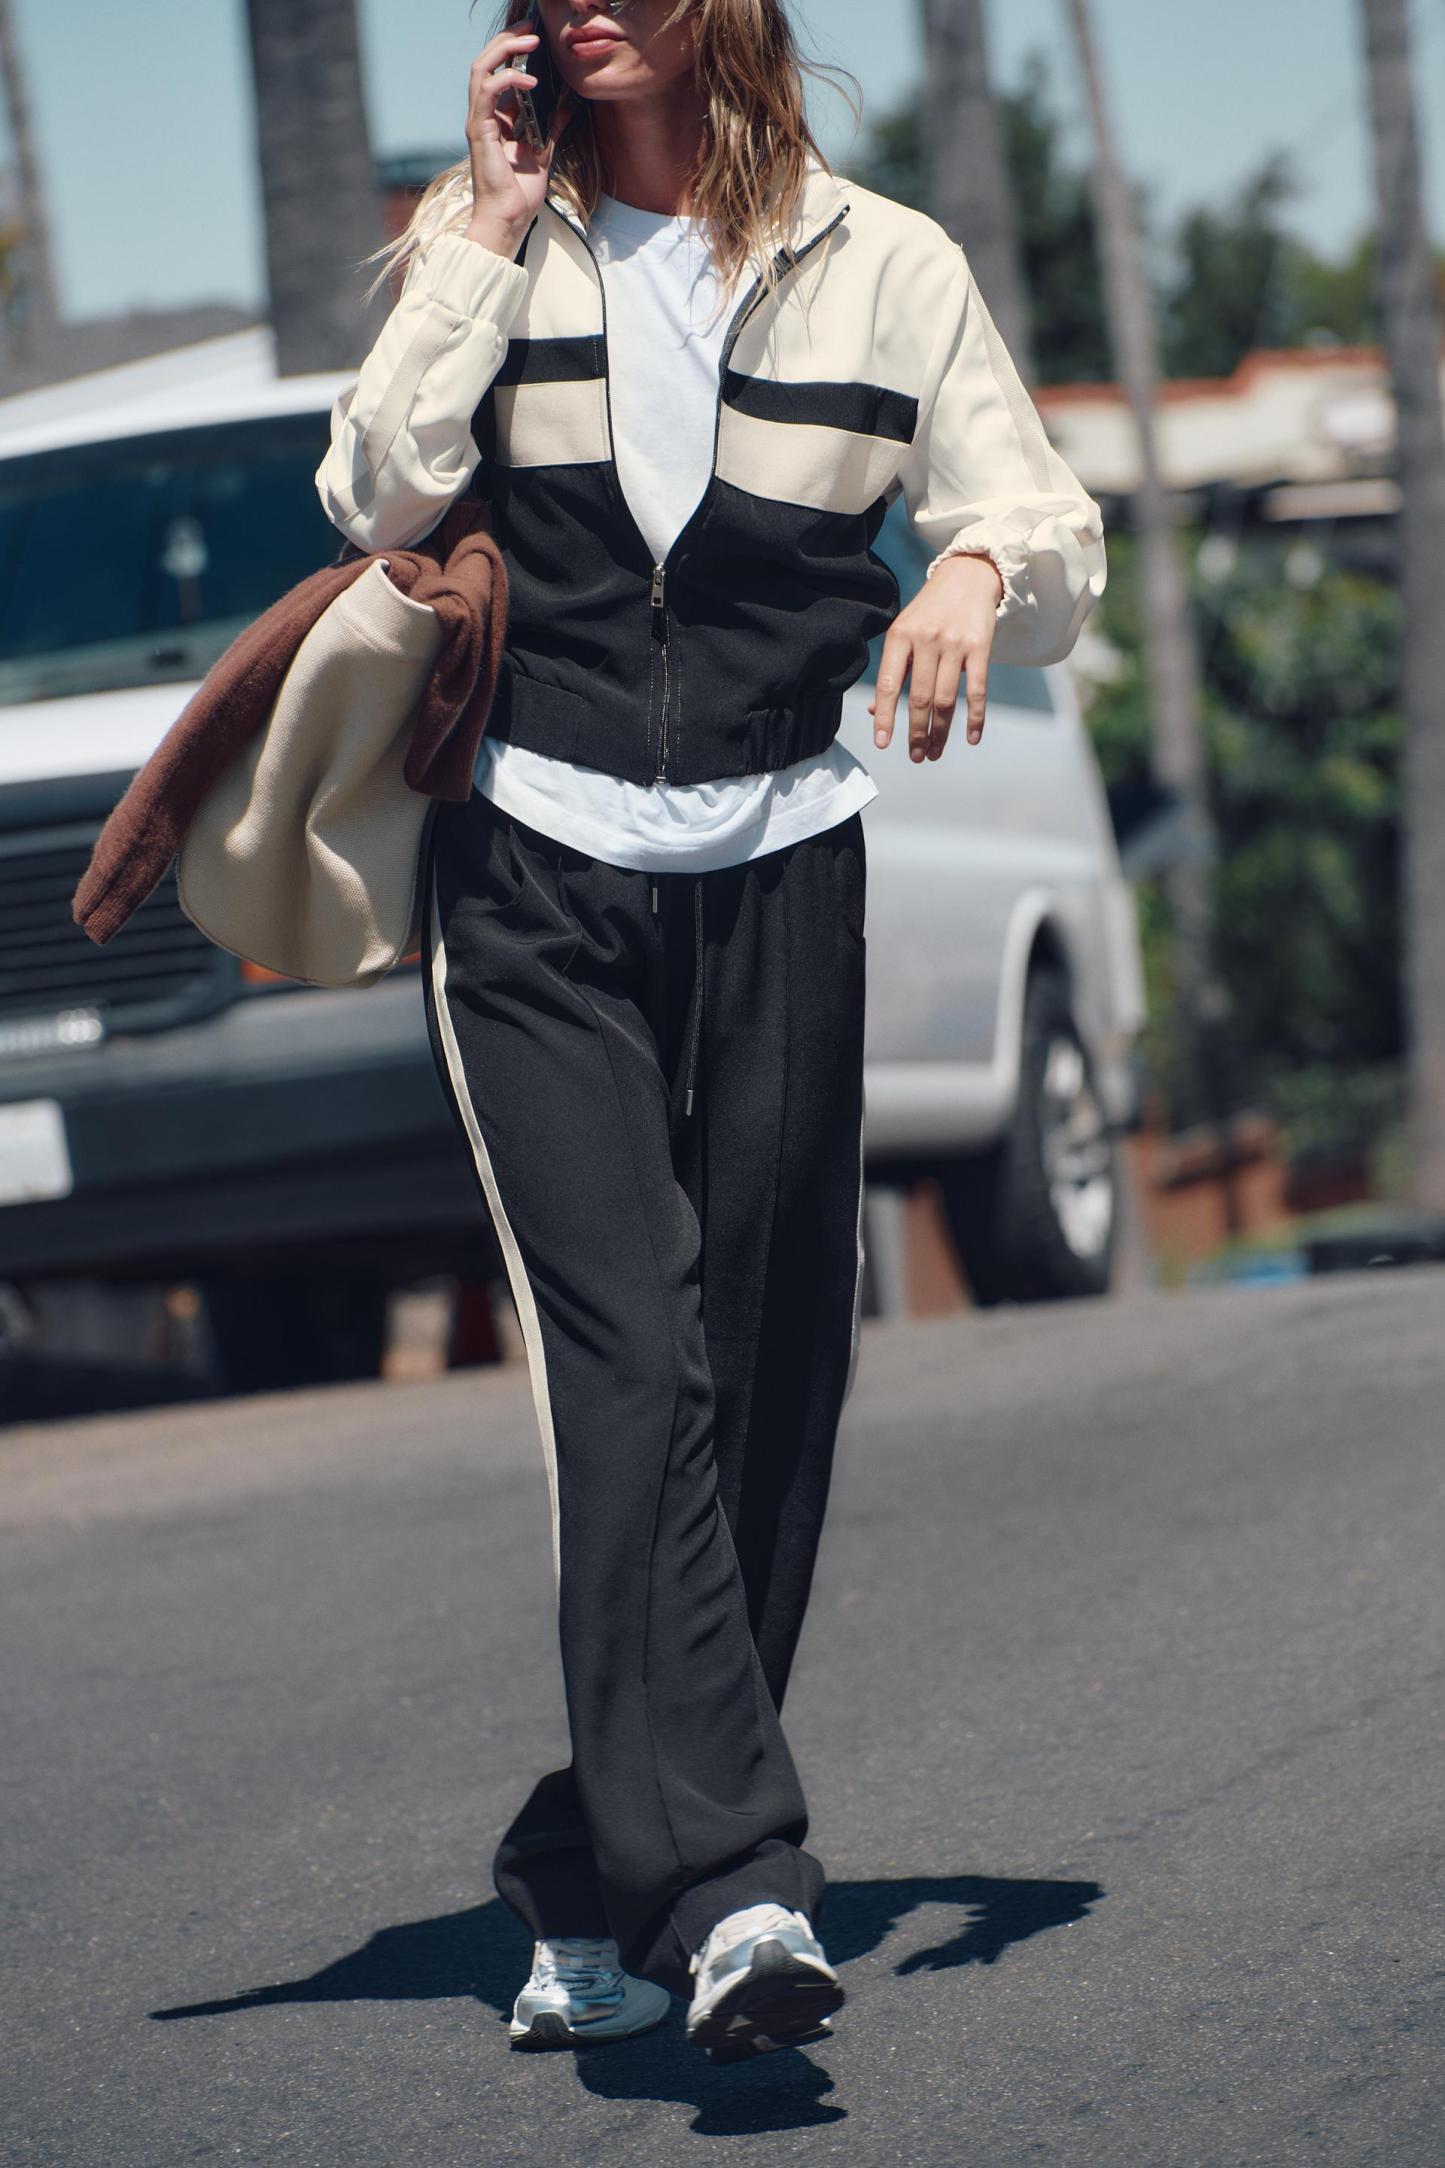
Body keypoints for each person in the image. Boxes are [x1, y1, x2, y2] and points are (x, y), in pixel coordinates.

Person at [316, 0, 1105, 2065]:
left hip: (779, 861)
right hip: (533, 875)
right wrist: (485, 234)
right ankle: (740, 1887)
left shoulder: (884, 262)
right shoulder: (487, 246)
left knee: (767, 1378)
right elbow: (372, 488)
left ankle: (587, 1866)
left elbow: (1053, 534)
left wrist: (969, 565)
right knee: (634, 1361)